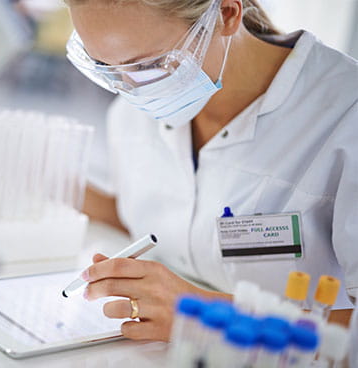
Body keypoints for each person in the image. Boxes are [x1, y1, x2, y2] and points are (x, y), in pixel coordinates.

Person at [64, 0, 358, 341]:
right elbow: (169, 218)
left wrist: (205, 315)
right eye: (105, 67)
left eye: (151, 65)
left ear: (227, 15)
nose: (131, 89)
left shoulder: (346, 116)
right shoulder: (135, 109)